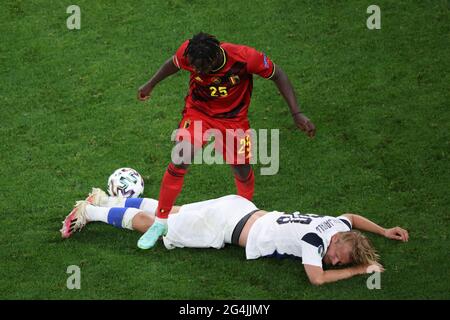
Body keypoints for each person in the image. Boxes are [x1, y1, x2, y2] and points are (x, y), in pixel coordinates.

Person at [136, 32, 316, 249]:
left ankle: (247, 213)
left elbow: (278, 75)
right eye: (194, 67)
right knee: (180, 158)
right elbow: (172, 64)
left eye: (202, 68)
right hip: (198, 113)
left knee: (241, 168)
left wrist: (296, 112)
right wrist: (150, 84)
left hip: (234, 121)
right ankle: (160, 221)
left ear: (214, 59)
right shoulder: (189, 53)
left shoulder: (246, 58)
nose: (198, 72)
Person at [60, 189, 409, 285]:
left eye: (340, 263)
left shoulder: (336, 226)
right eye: (339, 258)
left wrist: (382, 231)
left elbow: (351, 217)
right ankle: (88, 211)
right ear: (334, 244)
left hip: (237, 206)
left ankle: (106, 199)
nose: (333, 262)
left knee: (174, 210)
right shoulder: (316, 243)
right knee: (161, 224)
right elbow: (316, 279)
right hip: (227, 228)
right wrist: (358, 271)